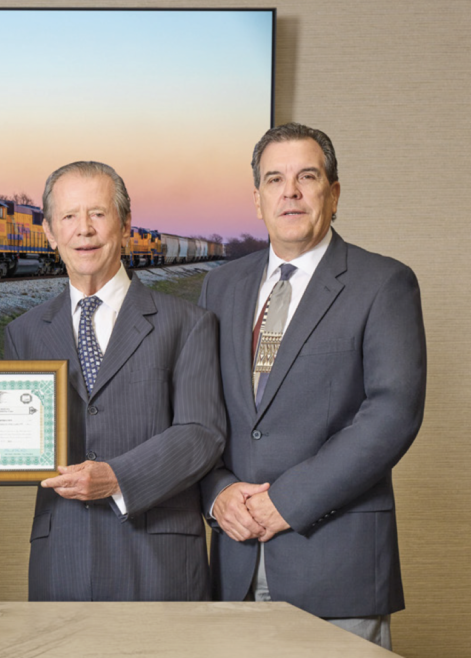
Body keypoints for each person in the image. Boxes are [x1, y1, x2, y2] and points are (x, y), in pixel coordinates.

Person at [199, 123, 426, 649]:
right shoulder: (220, 286)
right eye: (274, 179)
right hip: (232, 560)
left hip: (335, 562)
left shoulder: (384, 283)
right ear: (257, 199)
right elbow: (199, 409)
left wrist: (288, 502)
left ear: (334, 193)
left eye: (307, 176)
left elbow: (392, 414)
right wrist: (218, 494)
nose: (291, 192)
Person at [4, 161, 226, 601]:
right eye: (68, 217)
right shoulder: (24, 333)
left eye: (98, 214)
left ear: (125, 226)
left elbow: (202, 434)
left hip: (158, 559)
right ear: (49, 232)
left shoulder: (188, 323)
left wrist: (118, 477)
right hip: (60, 561)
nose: (83, 230)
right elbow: (18, 442)